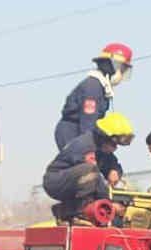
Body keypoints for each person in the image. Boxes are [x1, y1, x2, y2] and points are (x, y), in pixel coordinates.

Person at [54, 43, 133, 187]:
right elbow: (88, 130)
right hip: (73, 133)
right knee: (87, 176)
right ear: (112, 66)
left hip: (86, 135)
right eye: (122, 69)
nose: (122, 74)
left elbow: (97, 137)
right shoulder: (92, 88)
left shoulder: (101, 89)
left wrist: (112, 168)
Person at [43, 112, 134, 214]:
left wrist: (114, 171)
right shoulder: (85, 146)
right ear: (104, 137)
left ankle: (65, 211)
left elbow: (112, 162)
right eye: (114, 144)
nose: (115, 148)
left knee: (117, 195)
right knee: (90, 172)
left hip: (72, 181)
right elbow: (95, 178)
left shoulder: (101, 147)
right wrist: (109, 202)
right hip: (55, 181)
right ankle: (82, 213)